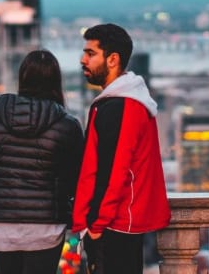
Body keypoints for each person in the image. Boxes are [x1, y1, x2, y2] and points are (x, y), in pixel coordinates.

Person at [0, 50, 84, 274]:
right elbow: (78, 177)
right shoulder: (67, 124)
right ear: (56, 82)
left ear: (22, 78)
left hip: (0, 224)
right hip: (46, 226)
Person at [72, 23, 170, 274]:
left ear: (113, 59)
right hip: (120, 223)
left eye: (91, 53)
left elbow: (115, 170)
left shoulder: (120, 106)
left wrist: (96, 223)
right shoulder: (124, 101)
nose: (83, 60)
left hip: (114, 226)